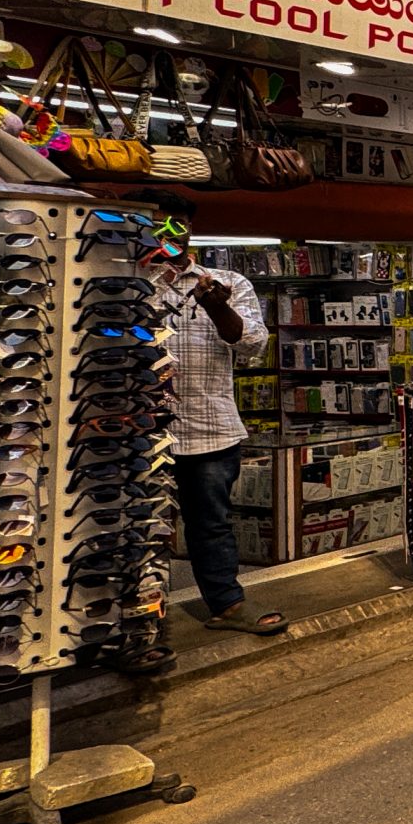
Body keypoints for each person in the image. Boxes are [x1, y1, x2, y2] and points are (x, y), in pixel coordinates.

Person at [159, 213, 285, 635]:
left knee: (210, 521)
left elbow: (252, 343)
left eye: (175, 227)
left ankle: (227, 605)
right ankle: (138, 617)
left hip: (208, 427)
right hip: (142, 433)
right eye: (157, 227)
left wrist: (217, 305)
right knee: (135, 529)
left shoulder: (224, 281)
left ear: (189, 230)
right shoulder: (125, 281)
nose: (168, 237)